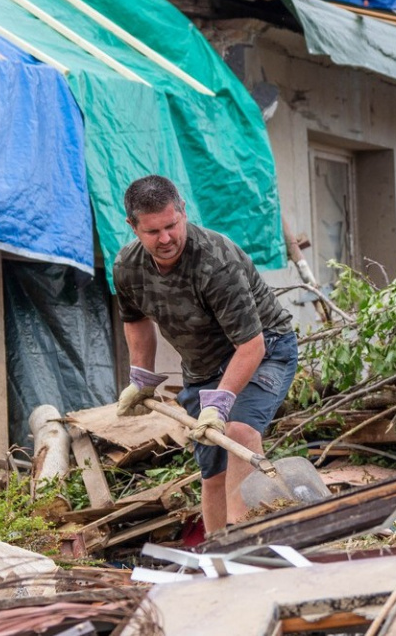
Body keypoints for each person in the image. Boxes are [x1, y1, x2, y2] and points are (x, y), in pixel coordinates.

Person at [113, 175, 297, 534]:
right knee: (213, 468)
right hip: (202, 367)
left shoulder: (214, 260)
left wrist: (219, 403)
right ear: (133, 227)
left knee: (239, 432)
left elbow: (251, 345)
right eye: (153, 232)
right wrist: (142, 377)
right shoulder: (127, 267)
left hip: (266, 349)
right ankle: (218, 557)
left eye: (172, 225)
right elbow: (135, 320)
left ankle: (247, 543)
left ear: (182, 211)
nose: (166, 239)